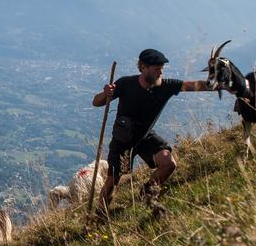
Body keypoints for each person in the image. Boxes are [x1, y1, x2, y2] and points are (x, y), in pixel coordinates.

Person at [91, 48, 212, 216]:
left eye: (162, 68)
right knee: (113, 181)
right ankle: (100, 214)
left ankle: (146, 194)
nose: (160, 72)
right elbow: (96, 102)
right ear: (143, 67)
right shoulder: (125, 84)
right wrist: (105, 93)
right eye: (156, 69)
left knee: (168, 163)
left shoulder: (165, 86)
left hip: (145, 136)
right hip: (123, 140)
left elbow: (192, 85)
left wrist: (222, 85)